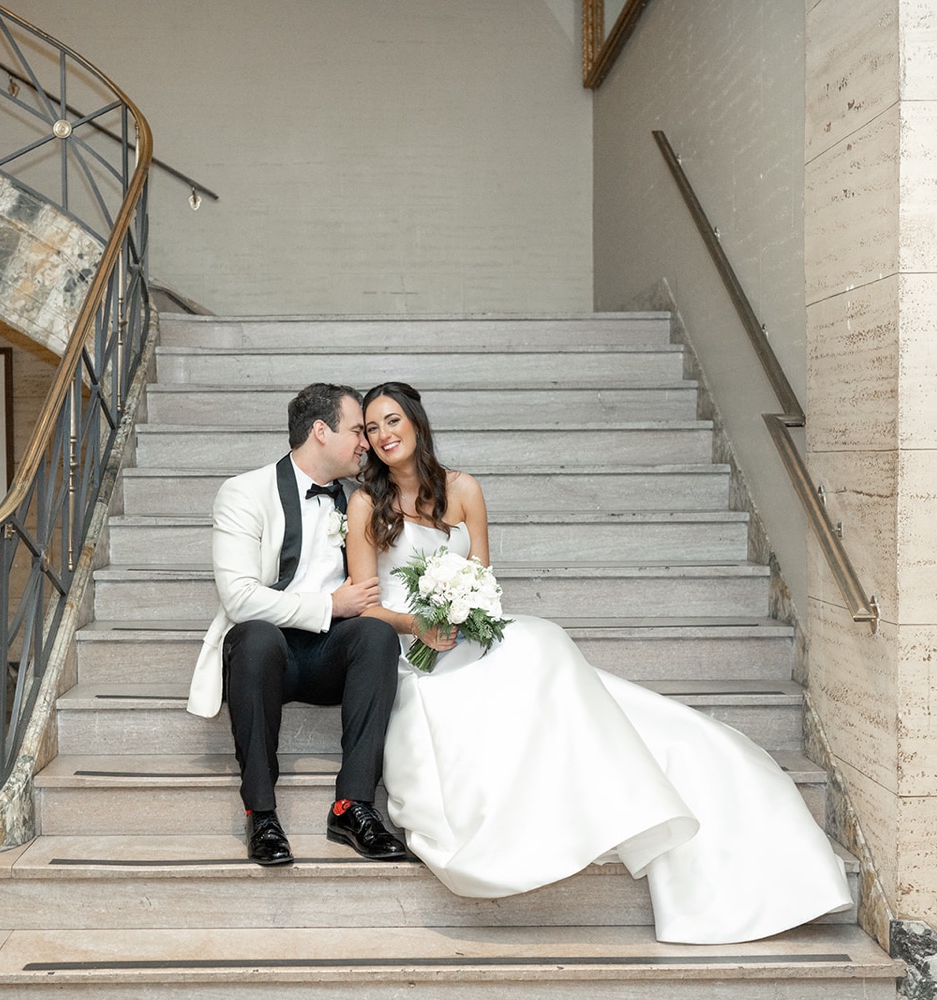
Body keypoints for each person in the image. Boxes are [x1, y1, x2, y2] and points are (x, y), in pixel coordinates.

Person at [344, 381, 854, 945]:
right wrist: (421, 626)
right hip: (414, 654)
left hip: (471, 633)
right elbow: (366, 603)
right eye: (371, 428)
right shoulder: (366, 504)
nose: (383, 435)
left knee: (544, 640)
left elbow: (483, 581)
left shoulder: (463, 489)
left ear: (415, 423)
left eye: (391, 421)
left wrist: (463, 617)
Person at [187, 383, 407, 866]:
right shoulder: (245, 492)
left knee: (376, 635)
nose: (365, 442)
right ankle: (260, 813)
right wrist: (329, 604)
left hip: (332, 652)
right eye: (356, 430)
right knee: (256, 637)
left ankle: (353, 807)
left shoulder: (358, 499)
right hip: (269, 655)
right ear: (320, 431)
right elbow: (240, 598)